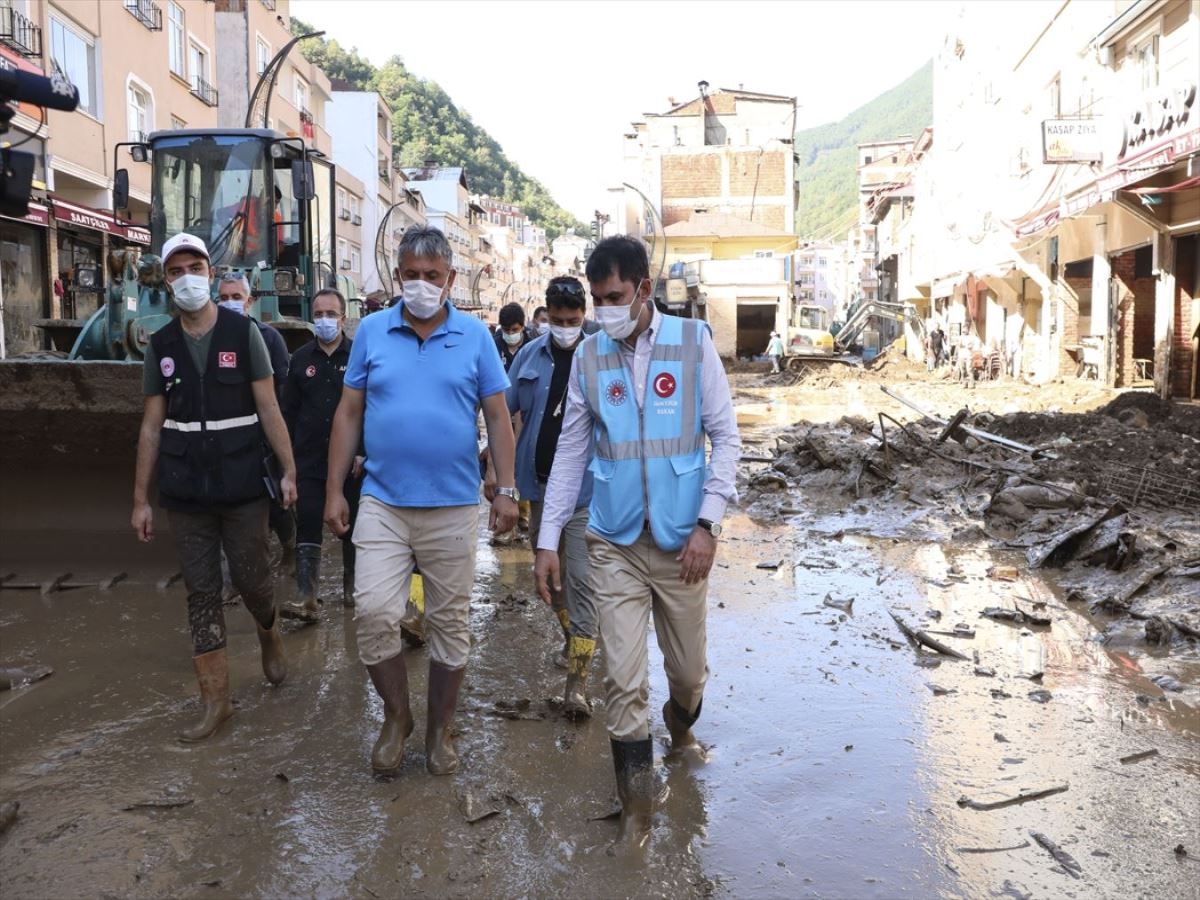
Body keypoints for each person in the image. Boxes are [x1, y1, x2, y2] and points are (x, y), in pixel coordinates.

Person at [534, 236, 741, 850]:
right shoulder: (590, 358)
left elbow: (725, 439)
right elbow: (571, 453)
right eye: (597, 299)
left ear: (644, 290)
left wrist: (708, 525)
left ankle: (681, 729)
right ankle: (636, 814)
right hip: (614, 541)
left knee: (688, 675)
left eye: (614, 297)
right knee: (623, 680)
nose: (603, 310)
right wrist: (547, 540)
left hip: (683, 545)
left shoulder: (692, 342)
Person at [324, 225, 518, 777]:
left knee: (450, 624)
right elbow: (349, 413)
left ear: (450, 279)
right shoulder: (373, 333)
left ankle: (439, 728)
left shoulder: (476, 337)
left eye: (432, 276)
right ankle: (397, 717)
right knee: (375, 612)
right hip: (383, 500)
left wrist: (505, 489)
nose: (421, 285)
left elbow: (499, 417)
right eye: (411, 275)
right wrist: (334, 489)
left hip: (454, 504)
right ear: (397, 275)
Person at [131, 233, 297, 742]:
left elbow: (268, 407)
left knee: (251, 580)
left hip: (242, 484)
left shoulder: (242, 332)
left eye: (194, 266)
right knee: (201, 593)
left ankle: (268, 630)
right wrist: (140, 499)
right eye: (176, 269)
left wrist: (289, 470)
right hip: (186, 491)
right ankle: (216, 702)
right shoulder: (160, 346)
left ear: (210, 270)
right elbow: (152, 426)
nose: (187, 277)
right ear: (165, 280)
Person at [503, 277, 598, 718]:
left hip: (586, 495)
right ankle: (572, 640)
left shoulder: (603, 352)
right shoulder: (529, 354)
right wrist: (498, 475)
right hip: (539, 490)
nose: (564, 327)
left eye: (573, 320)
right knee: (551, 586)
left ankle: (576, 685)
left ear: (584, 315)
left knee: (580, 588)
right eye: (557, 320)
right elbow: (504, 412)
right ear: (547, 315)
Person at [279, 288, 364, 622]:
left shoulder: (359, 356)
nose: (324, 320)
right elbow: (288, 412)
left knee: (353, 525)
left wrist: (362, 452)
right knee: (309, 522)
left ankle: (352, 594)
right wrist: (288, 462)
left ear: (344, 318)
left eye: (331, 314)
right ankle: (307, 596)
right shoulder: (300, 360)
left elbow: (370, 408)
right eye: (318, 314)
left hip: (353, 462)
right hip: (310, 458)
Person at [217, 273, 295, 570]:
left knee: (275, 504)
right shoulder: (209, 340)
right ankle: (240, 574)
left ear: (249, 302)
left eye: (236, 298)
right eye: (223, 298)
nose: (230, 303)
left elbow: (282, 394)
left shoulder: (268, 338)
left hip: (262, 437)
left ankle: (289, 543)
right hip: (226, 438)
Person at [495, 301, 531, 370]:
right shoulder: (494, 346)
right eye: (506, 330)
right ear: (501, 328)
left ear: (522, 326)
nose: (510, 333)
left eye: (515, 330)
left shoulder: (531, 347)